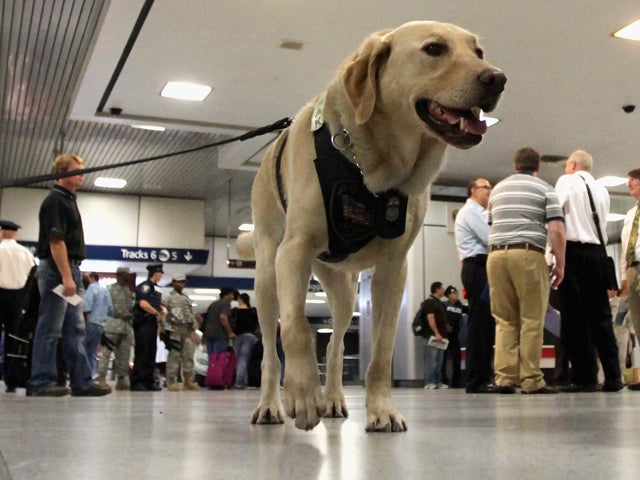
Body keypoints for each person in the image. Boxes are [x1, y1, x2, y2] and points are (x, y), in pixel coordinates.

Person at [30, 153, 110, 397]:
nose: (82, 174)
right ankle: (42, 381)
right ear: (62, 173)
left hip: (68, 270)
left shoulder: (68, 200)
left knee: (75, 328)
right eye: (77, 170)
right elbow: (56, 241)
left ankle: (82, 381)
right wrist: (67, 276)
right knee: (50, 327)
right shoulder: (56, 201)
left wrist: (73, 273)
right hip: (57, 272)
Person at [487, 147, 566, 394]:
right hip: (528, 255)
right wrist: (560, 263)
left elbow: (492, 223)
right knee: (532, 319)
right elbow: (556, 230)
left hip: (496, 255)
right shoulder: (545, 189)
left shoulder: (497, 189)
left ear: (515, 165)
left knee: (504, 320)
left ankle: (505, 378)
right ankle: (532, 380)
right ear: (537, 167)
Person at [554, 150, 622, 392]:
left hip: (573, 253)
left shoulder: (567, 181)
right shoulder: (602, 189)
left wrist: (553, 255)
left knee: (574, 319)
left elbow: (555, 216)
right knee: (601, 317)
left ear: (572, 165)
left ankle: (584, 377)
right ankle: (614, 377)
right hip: (597, 254)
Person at [454, 177, 498, 393]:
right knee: (479, 325)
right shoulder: (470, 212)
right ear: (473, 190)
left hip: (484, 267)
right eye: (486, 187)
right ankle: (476, 380)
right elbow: (490, 237)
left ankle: (483, 377)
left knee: (486, 324)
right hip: (477, 266)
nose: (490, 191)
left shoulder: (481, 213)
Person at [0, 220, 35, 391]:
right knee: (13, 338)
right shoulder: (25, 253)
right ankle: (10, 380)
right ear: (15, 233)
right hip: (18, 298)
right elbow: (33, 276)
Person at [96, 267, 134, 391]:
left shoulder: (128, 290)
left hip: (125, 326)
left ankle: (121, 379)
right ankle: (101, 377)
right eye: (125, 274)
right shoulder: (109, 289)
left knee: (124, 354)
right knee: (106, 353)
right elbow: (102, 307)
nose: (127, 276)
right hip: (112, 324)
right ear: (119, 275)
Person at [619, 167, 640, 391]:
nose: (629, 183)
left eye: (634, 179)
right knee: (638, 321)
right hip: (634, 268)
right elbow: (627, 246)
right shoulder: (630, 214)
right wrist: (624, 275)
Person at [162, 273, 201, 391]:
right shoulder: (167, 297)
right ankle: (172, 381)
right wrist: (163, 329)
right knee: (174, 357)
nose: (181, 284)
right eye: (178, 282)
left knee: (188, 356)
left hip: (186, 331)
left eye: (183, 282)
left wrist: (194, 329)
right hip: (174, 330)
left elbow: (190, 314)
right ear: (173, 282)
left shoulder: (186, 298)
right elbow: (162, 313)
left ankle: (188, 381)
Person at [130, 263, 166, 392]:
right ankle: (138, 381)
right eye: (160, 273)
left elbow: (155, 304)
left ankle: (148, 381)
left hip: (152, 323)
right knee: (142, 352)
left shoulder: (156, 289)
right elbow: (143, 303)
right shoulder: (145, 286)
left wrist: (162, 310)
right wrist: (156, 313)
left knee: (151, 352)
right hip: (144, 322)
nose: (161, 275)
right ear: (155, 273)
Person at [82, 272, 113, 379]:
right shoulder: (105, 291)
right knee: (93, 351)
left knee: (83, 349)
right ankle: (92, 373)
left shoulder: (90, 289)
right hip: (100, 325)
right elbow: (111, 309)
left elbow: (87, 307)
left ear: (91, 278)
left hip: (90, 323)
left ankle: (83, 375)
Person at [421, 282, 449, 389]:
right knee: (431, 360)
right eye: (442, 288)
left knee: (439, 361)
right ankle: (429, 381)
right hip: (431, 336)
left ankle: (438, 381)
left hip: (441, 337)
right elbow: (430, 318)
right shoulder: (430, 303)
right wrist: (436, 332)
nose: (443, 290)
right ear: (437, 289)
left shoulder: (439, 303)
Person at [231, 292, 260, 389]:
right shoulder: (253, 311)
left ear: (240, 300)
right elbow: (257, 324)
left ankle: (239, 383)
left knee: (239, 359)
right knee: (244, 359)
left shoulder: (235, 311)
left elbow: (232, 323)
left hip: (238, 336)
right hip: (251, 336)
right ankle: (244, 382)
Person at [441, 285, 465, 388]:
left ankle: (456, 381)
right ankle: (443, 380)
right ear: (448, 295)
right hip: (445, 335)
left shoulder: (460, 306)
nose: (456, 295)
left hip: (455, 335)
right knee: (443, 359)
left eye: (457, 293)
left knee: (457, 358)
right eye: (453, 293)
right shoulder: (444, 305)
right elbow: (440, 316)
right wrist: (445, 325)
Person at [202, 287, 237, 357]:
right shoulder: (226, 304)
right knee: (218, 358)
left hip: (208, 333)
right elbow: (223, 317)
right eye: (232, 295)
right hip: (219, 334)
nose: (233, 297)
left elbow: (205, 318)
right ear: (226, 295)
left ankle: (211, 368)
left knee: (211, 358)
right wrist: (230, 332)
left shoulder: (213, 304)